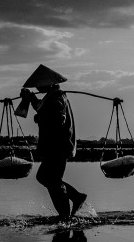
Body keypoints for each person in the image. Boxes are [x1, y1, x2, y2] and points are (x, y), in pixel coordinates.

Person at [18, 64, 87, 221]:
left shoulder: (56, 97)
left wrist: (39, 118)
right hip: (57, 147)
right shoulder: (52, 96)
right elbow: (43, 108)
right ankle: (74, 200)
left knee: (49, 179)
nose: (36, 87)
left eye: (38, 85)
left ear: (47, 83)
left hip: (58, 147)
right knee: (47, 178)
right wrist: (31, 98)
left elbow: (58, 118)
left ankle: (66, 213)